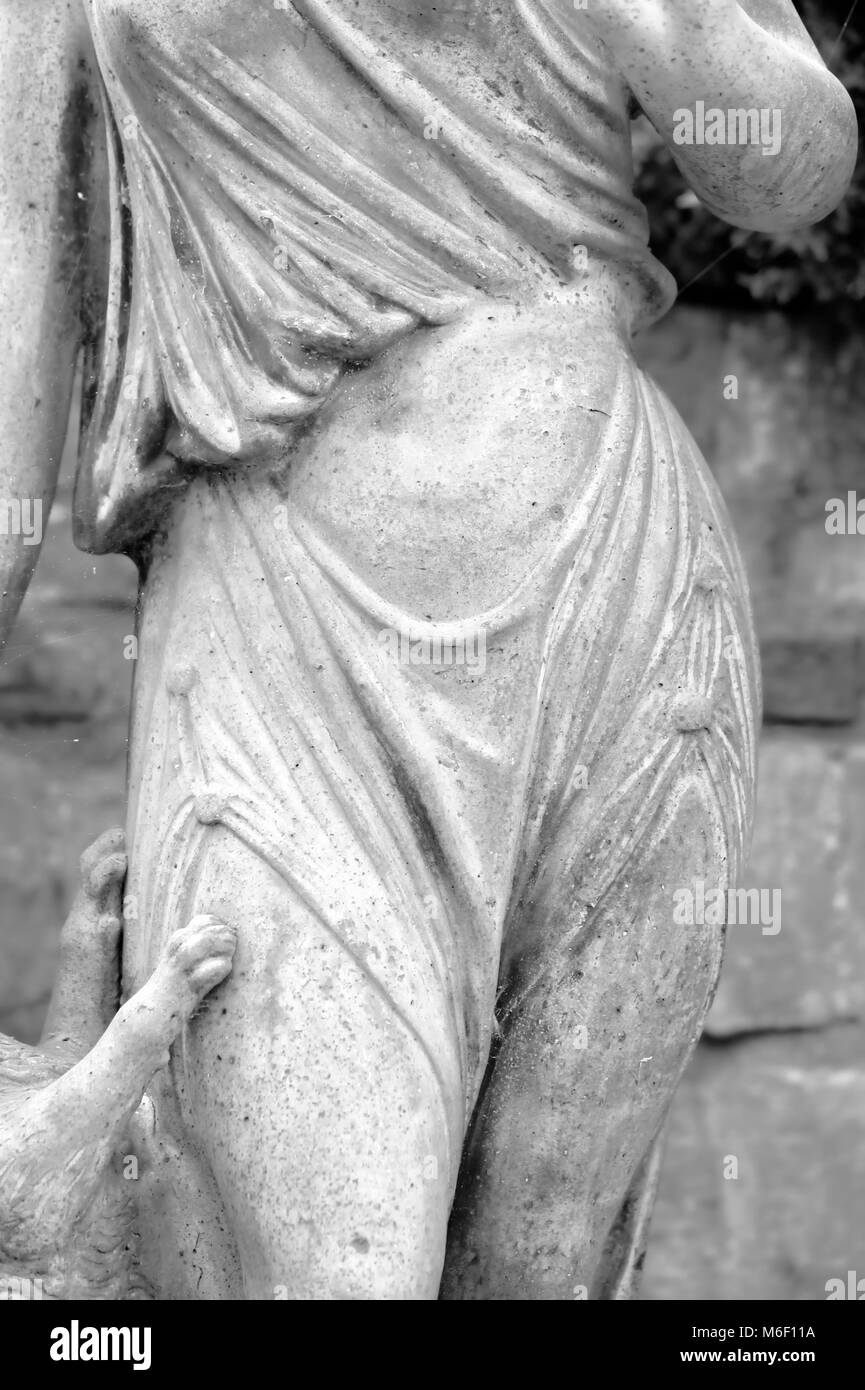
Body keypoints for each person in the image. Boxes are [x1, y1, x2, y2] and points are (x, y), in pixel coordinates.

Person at [0, 0, 855, 1299]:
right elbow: (14, 343)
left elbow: (790, 165)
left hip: (617, 586)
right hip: (283, 627)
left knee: (539, 1275)